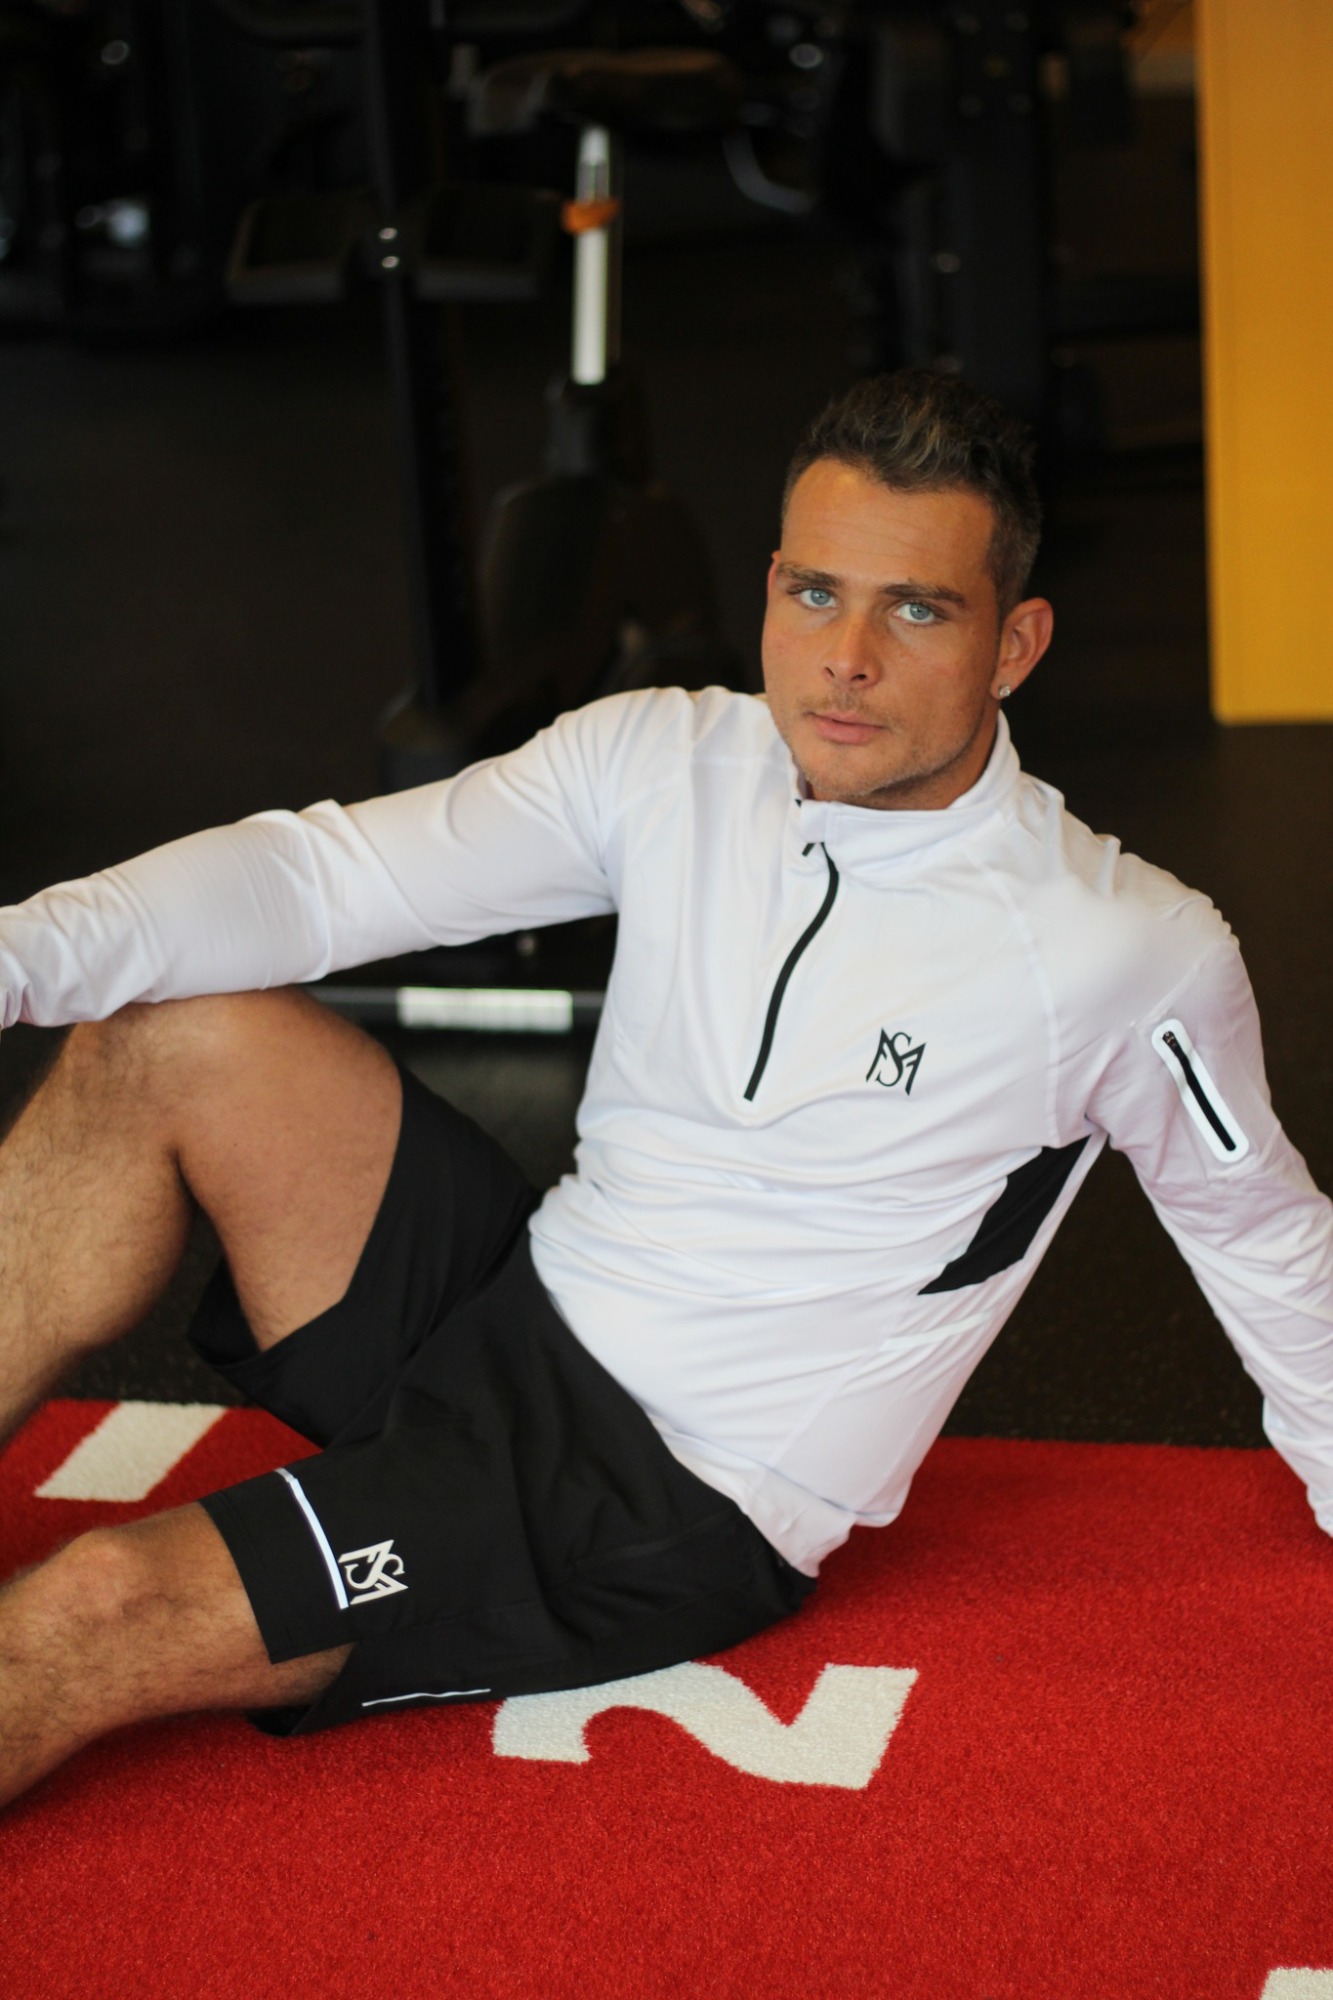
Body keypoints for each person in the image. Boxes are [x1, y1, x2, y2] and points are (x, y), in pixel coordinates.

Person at [0, 370, 1329, 1810]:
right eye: (814, 595)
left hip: (663, 1493)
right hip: (513, 1304)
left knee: (95, 1606)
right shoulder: (665, 759)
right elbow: (319, 879)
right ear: (769, 587)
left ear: (1015, 644)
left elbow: (1261, 1232)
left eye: (915, 611)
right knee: (167, 1032)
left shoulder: (1124, 948)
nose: (846, 660)